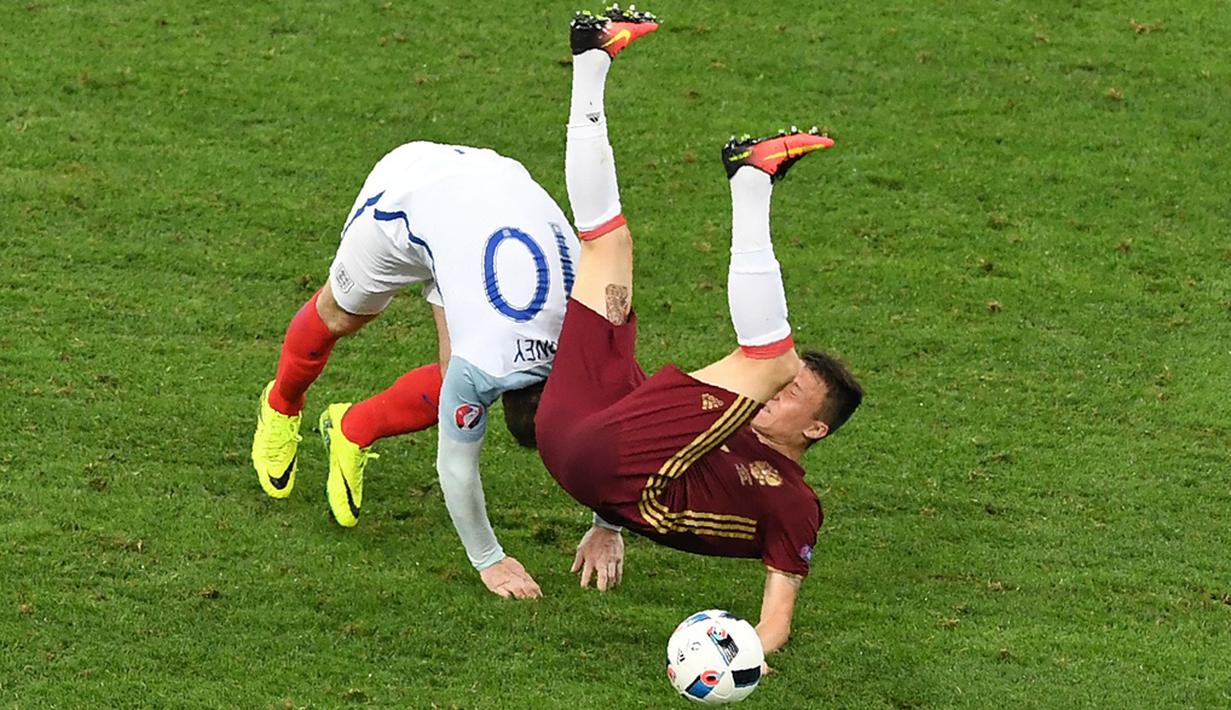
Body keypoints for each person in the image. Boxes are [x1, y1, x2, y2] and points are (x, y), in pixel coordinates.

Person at [535, 6, 864, 654]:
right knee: (605, 246)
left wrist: (744, 656)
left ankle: (751, 180)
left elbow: (776, 617)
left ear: (816, 429)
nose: (775, 395)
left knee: (769, 356)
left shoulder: (794, 505)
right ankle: (590, 56)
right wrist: (606, 523)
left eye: (795, 396)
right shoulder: (726, 423)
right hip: (576, 428)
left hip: (611, 464)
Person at [251, 140, 581, 599]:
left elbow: (622, 420)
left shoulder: (589, 335)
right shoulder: (482, 366)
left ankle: (351, 427)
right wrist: (489, 561)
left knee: (449, 378)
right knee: (339, 315)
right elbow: (456, 468)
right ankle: (282, 405)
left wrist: (610, 526)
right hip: (409, 193)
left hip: (495, 188)